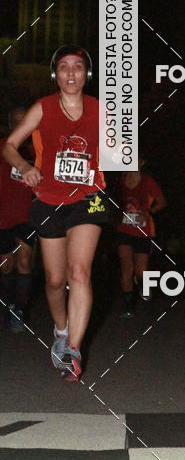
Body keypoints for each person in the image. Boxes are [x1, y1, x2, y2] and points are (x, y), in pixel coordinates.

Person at [2, 46, 109, 381]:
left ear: (86, 74)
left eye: (78, 67)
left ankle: (73, 351)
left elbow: (120, 149)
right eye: (64, 67)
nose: (71, 73)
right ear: (56, 74)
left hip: (89, 198)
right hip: (49, 199)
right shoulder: (43, 107)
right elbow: (8, 145)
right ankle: (61, 330)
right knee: (53, 279)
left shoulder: (100, 108)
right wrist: (25, 166)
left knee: (80, 272)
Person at [116, 156, 166, 318]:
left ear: (141, 162)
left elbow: (162, 202)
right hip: (124, 229)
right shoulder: (121, 179)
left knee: (140, 272)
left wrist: (149, 212)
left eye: (135, 158)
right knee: (126, 268)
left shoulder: (147, 181)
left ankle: (144, 286)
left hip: (143, 231)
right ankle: (128, 305)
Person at [0, 108, 36, 332]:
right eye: (16, 121)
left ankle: (19, 311)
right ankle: (9, 304)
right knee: (6, 266)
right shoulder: (3, 145)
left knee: (24, 262)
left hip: (27, 215)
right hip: (3, 216)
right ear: (10, 123)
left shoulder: (36, 149)